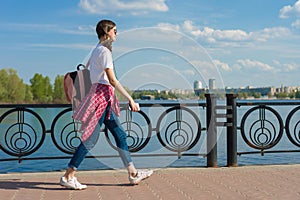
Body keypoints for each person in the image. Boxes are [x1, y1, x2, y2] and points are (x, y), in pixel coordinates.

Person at [60, 19, 153, 190]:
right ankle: (68, 175)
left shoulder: (96, 50)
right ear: (106, 31)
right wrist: (130, 99)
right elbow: (111, 80)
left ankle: (133, 173)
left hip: (103, 98)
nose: (117, 34)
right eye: (114, 31)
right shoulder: (104, 52)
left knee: (120, 135)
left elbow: (88, 70)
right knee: (90, 139)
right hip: (101, 98)